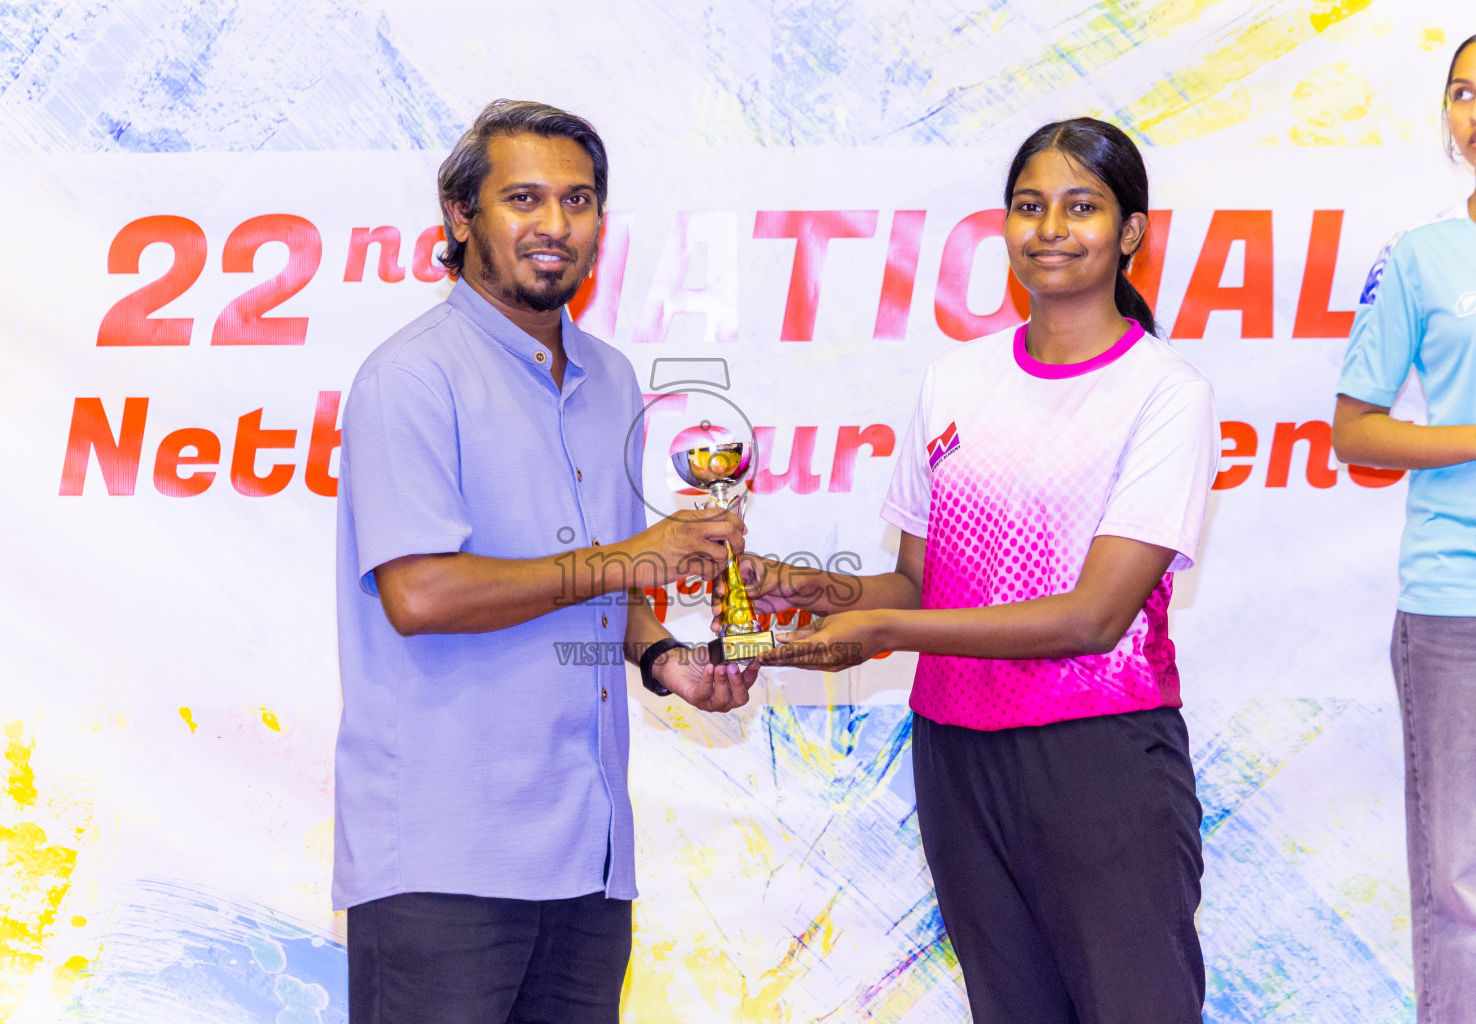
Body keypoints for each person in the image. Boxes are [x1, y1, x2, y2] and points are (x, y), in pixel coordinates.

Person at [737, 118, 1219, 1023]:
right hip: (955, 754)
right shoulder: (954, 381)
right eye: (1029, 206)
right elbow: (918, 589)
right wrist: (798, 587)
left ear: (1131, 233)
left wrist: (881, 631)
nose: (1050, 229)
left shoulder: (1165, 394)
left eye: (1082, 207)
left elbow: (1092, 619)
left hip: (1099, 755)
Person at [332, 99, 758, 1024]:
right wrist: (625, 562)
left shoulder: (608, 377)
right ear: (461, 217)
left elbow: (612, 587)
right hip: (445, 860)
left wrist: (665, 660)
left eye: (579, 199)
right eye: (523, 198)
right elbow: (420, 591)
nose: (555, 224)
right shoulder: (410, 377)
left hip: (590, 856)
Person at [1332, 34, 1476, 1024]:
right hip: (1454, 604)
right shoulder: (1422, 257)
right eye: (1464, 91)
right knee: (1460, 885)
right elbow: (1356, 427)